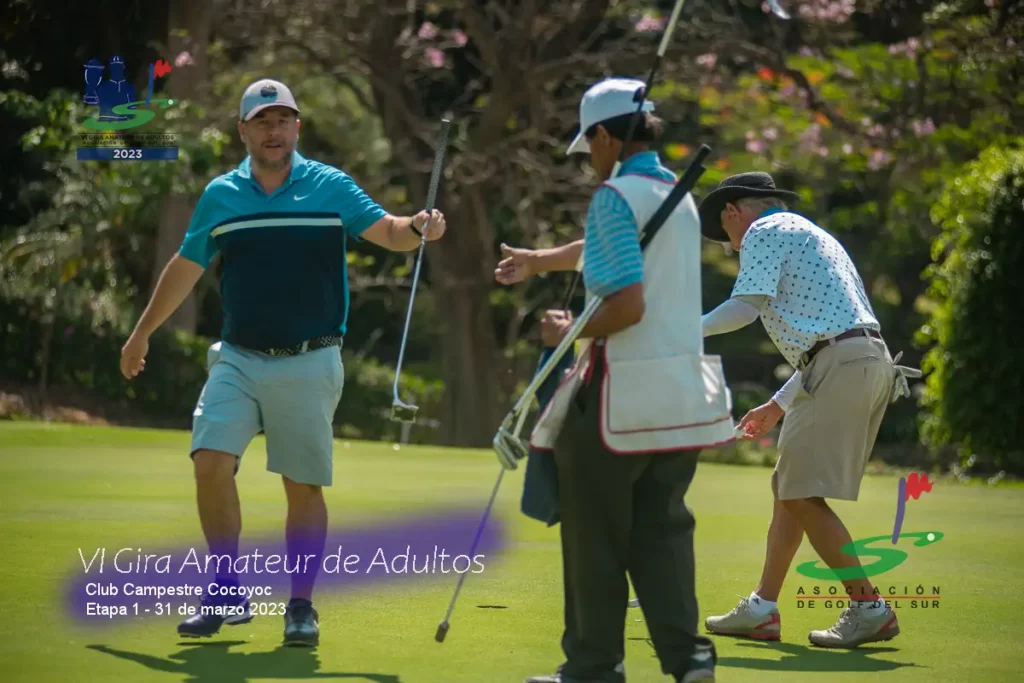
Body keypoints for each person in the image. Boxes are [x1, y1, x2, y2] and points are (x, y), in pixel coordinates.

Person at [118, 78, 447, 646]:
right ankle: (225, 589)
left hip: (309, 359)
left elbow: (390, 232)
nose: (274, 131)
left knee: (303, 487)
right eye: (262, 122)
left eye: (283, 120)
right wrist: (141, 332)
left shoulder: (330, 185)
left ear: (297, 127)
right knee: (209, 461)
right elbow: (186, 265)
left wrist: (418, 227)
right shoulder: (221, 194)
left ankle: (300, 607)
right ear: (243, 131)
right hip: (238, 358)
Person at [499, 76, 734, 683]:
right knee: (663, 534)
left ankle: (592, 668)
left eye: (590, 148)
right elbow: (611, 249)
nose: (590, 162)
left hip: (616, 395)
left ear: (605, 137)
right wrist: (539, 260)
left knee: (594, 539)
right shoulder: (675, 194)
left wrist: (568, 332)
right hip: (681, 397)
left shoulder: (614, 195)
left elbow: (626, 306)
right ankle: (689, 659)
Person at [697, 172, 919, 648]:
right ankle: (762, 608)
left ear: (734, 211)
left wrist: (683, 330)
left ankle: (869, 608)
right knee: (788, 487)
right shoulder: (810, 233)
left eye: (725, 234)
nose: (731, 247)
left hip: (840, 364)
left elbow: (744, 308)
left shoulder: (762, 230)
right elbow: (832, 332)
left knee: (799, 494)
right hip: (855, 360)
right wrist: (778, 405)